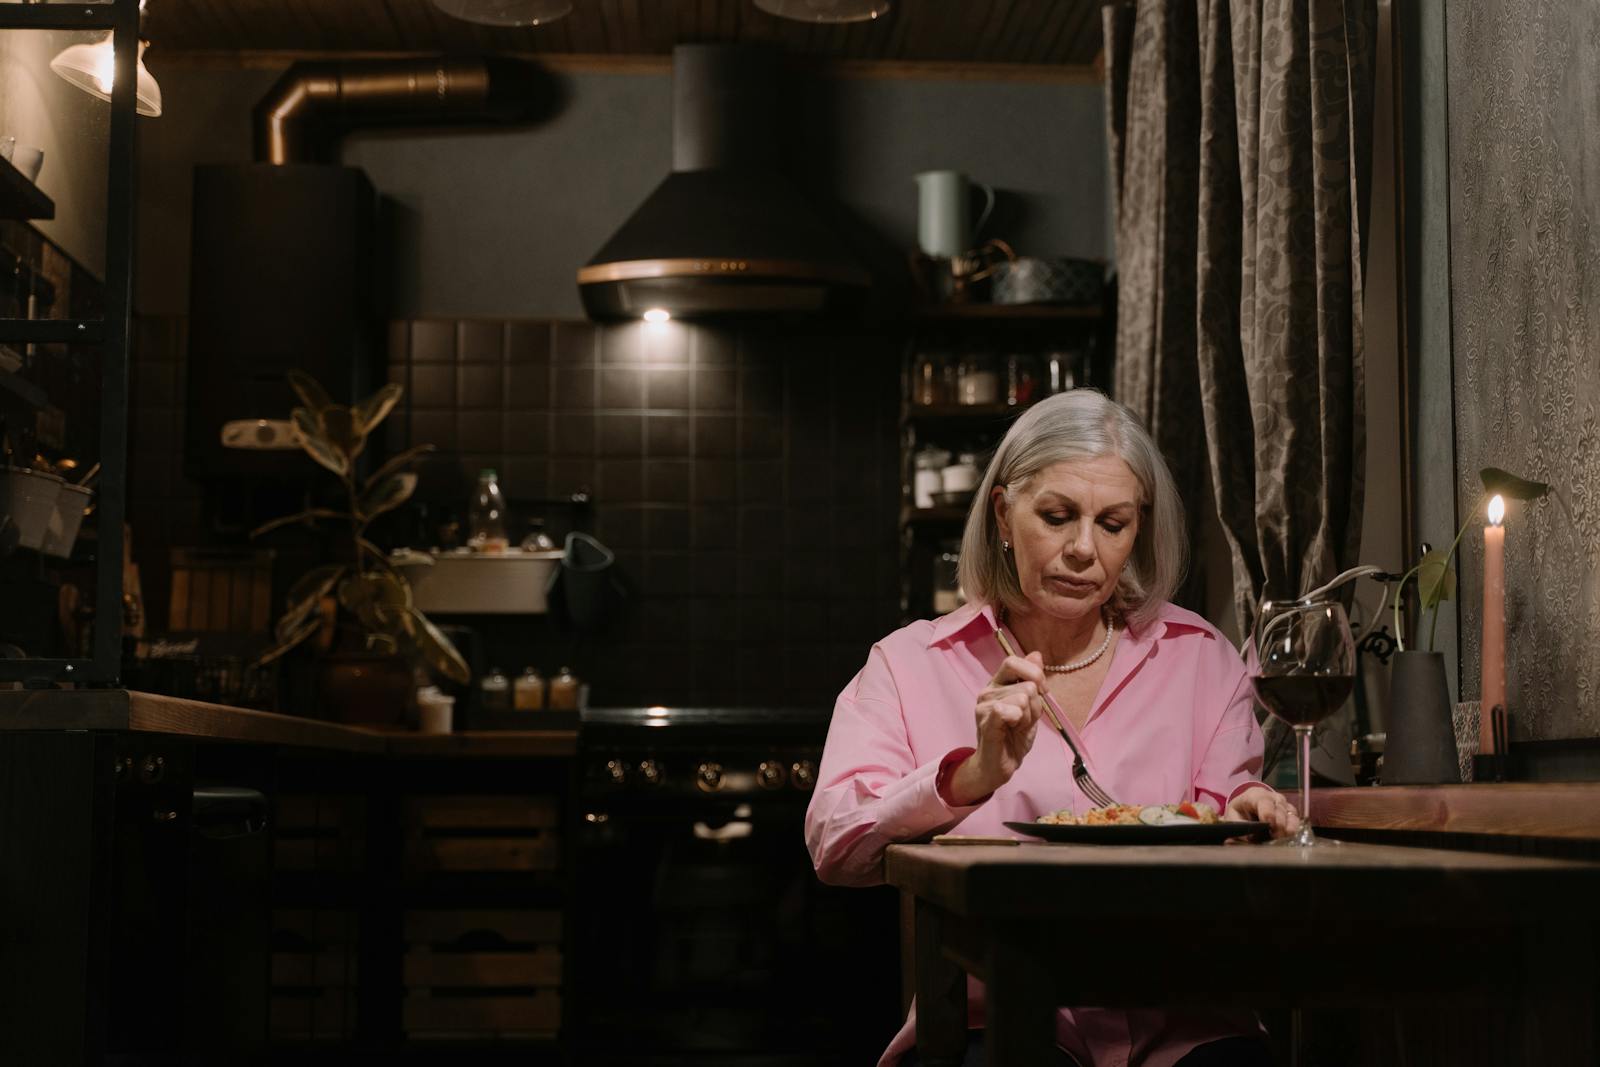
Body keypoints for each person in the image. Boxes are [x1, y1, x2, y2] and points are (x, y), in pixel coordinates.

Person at [804, 390, 1299, 1067]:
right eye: (1057, 516)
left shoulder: (1202, 658)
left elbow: (1227, 835)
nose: (1083, 550)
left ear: (1139, 528)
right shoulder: (908, 664)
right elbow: (836, 846)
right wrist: (969, 777)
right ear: (1004, 514)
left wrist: (1248, 820)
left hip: (1184, 1024)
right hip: (995, 1020)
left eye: (1114, 523)